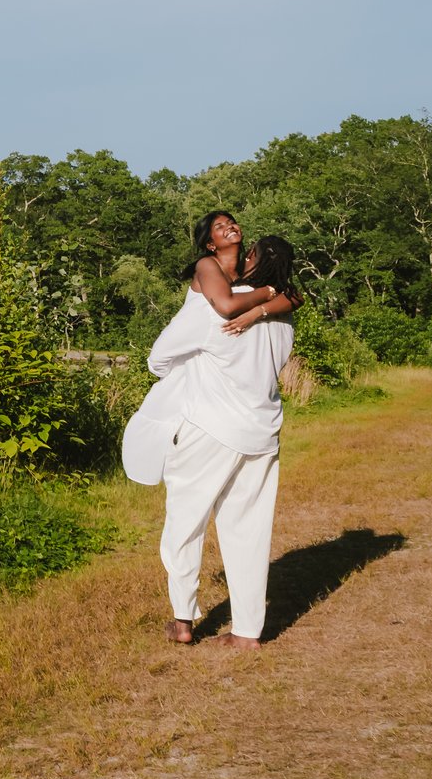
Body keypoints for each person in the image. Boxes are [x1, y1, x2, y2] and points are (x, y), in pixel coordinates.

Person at [120, 214, 298, 649]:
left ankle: (183, 620)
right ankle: (246, 633)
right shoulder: (283, 319)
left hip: (210, 430)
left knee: (186, 523)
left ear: (251, 259)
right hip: (261, 433)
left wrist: (191, 373)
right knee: (249, 530)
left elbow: (158, 358)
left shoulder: (215, 309)